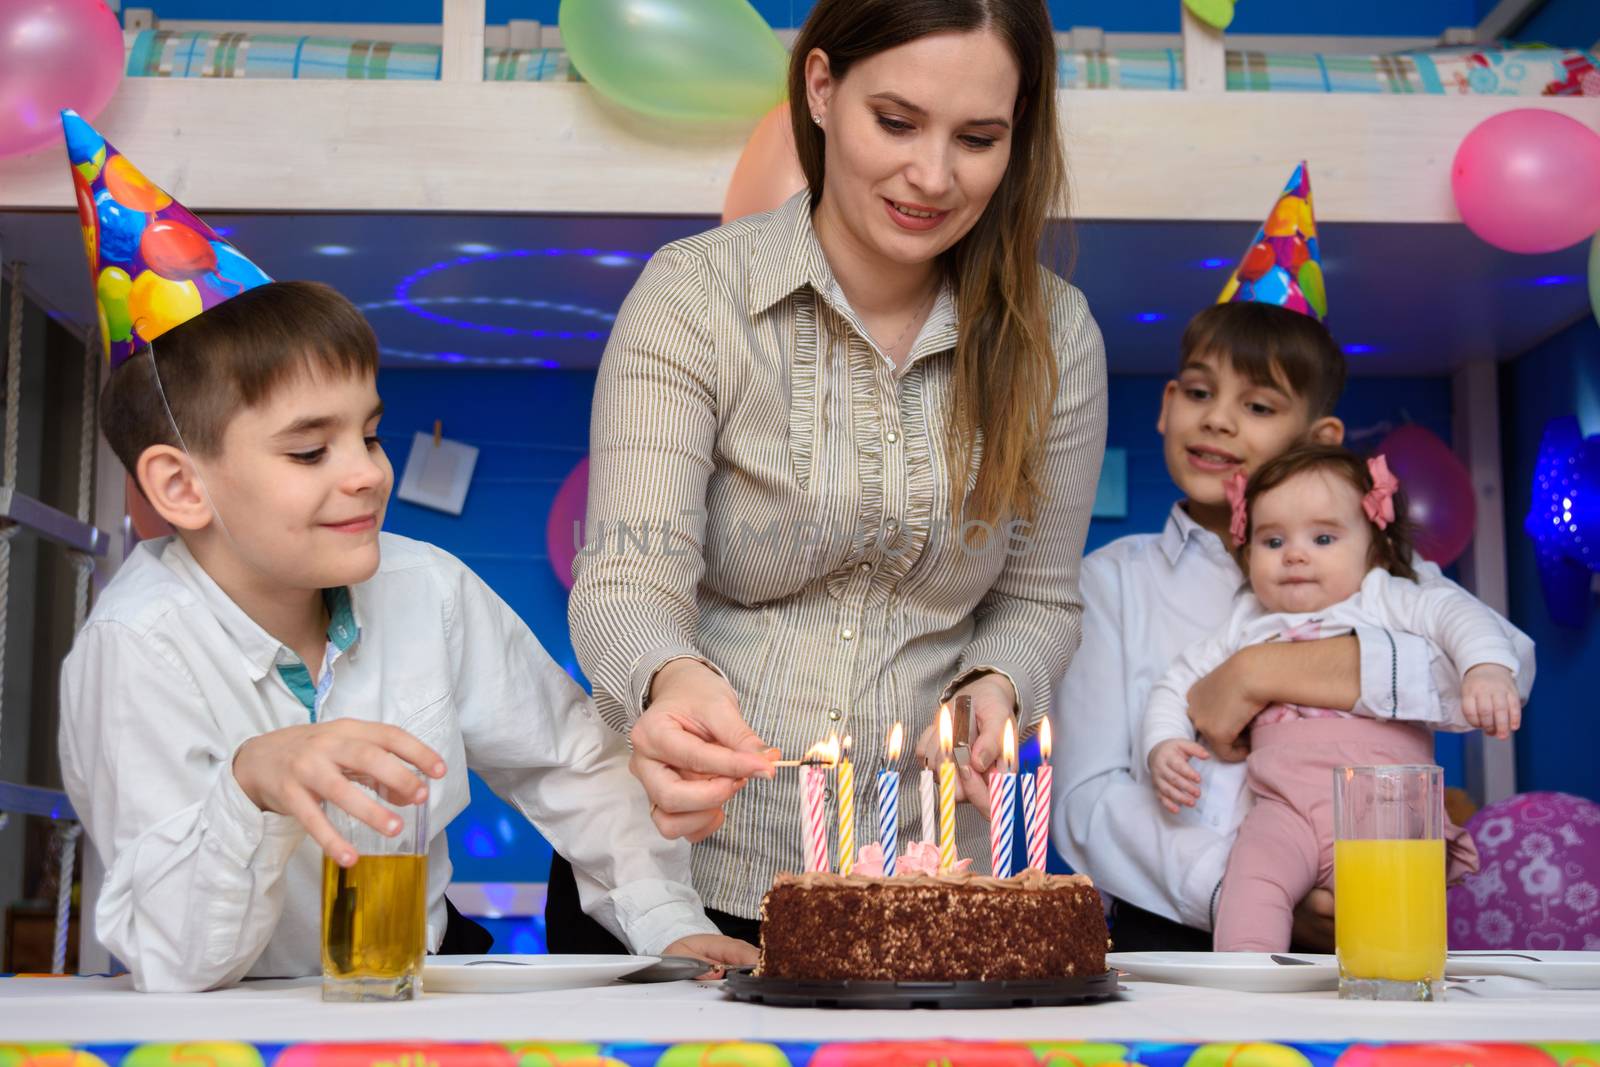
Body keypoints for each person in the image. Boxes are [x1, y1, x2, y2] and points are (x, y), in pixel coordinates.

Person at [55, 112, 752, 991]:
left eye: (371, 435)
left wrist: (667, 924)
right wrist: (251, 782)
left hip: (403, 1004)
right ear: (181, 487)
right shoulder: (136, 650)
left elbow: (574, 763)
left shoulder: (428, 587)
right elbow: (175, 961)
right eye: (310, 451)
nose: (366, 475)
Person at [563, 0, 1108, 939]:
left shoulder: (1055, 338)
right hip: (687, 874)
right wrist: (667, 680)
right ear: (821, 88)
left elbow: (1040, 601)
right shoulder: (694, 297)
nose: (932, 176)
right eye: (895, 122)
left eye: (978, 138)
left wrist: (999, 683)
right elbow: (625, 577)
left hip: (931, 884)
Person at [1049, 162, 1536, 952]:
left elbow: (1504, 664)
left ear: (1319, 442)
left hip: (1367, 898)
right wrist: (1243, 883)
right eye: (1201, 393)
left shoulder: (1376, 572)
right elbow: (1089, 798)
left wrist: (1261, 675)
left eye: (1260, 405)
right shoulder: (1111, 582)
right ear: (1167, 407)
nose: (1219, 423)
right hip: (1176, 926)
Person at [1142, 444, 1528, 951]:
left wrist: (1485, 669)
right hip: (1283, 809)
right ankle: (1242, 990)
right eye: (1272, 540)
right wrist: (1164, 743)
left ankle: (1393, 1011)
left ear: (1374, 546)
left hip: (1386, 810)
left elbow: (1459, 617)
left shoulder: (1385, 598)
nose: (1295, 554)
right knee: (1251, 885)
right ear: (1246, 551)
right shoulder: (1247, 624)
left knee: (1394, 939)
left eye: (1323, 537)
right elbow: (1178, 681)